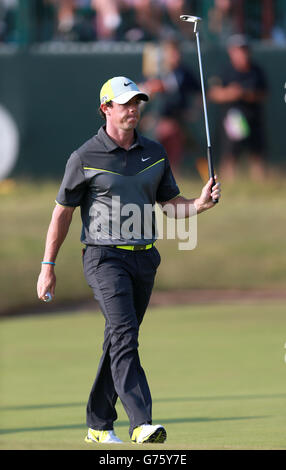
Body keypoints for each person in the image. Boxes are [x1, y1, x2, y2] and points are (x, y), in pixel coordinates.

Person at [37, 76, 221, 445]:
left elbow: (170, 205)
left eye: (137, 102)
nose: (133, 109)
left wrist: (198, 205)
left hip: (144, 260)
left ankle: (98, 424)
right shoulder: (84, 157)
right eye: (125, 103)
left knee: (120, 339)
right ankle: (141, 423)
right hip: (104, 258)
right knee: (124, 336)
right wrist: (48, 267)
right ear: (106, 108)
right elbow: (62, 214)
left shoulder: (153, 152)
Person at [208, 34, 268, 181]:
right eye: (238, 50)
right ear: (231, 52)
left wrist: (246, 94)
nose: (242, 54)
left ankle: (260, 185)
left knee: (256, 154)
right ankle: (228, 184)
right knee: (230, 154)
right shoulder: (224, 71)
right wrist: (230, 93)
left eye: (244, 50)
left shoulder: (256, 71)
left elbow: (264, 93)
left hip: (253, 117)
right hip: (232, 118)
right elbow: (213, 93)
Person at [140, 39, 201, 175]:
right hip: (156, 122)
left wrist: (193, 112)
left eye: (177, 52)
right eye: (171, 52)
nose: (175, 56)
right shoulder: (154, 74)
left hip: (177, 122)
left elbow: (199, 93)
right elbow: (141, 95)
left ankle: (173, 185)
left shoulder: (185, 73)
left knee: (175, 156)